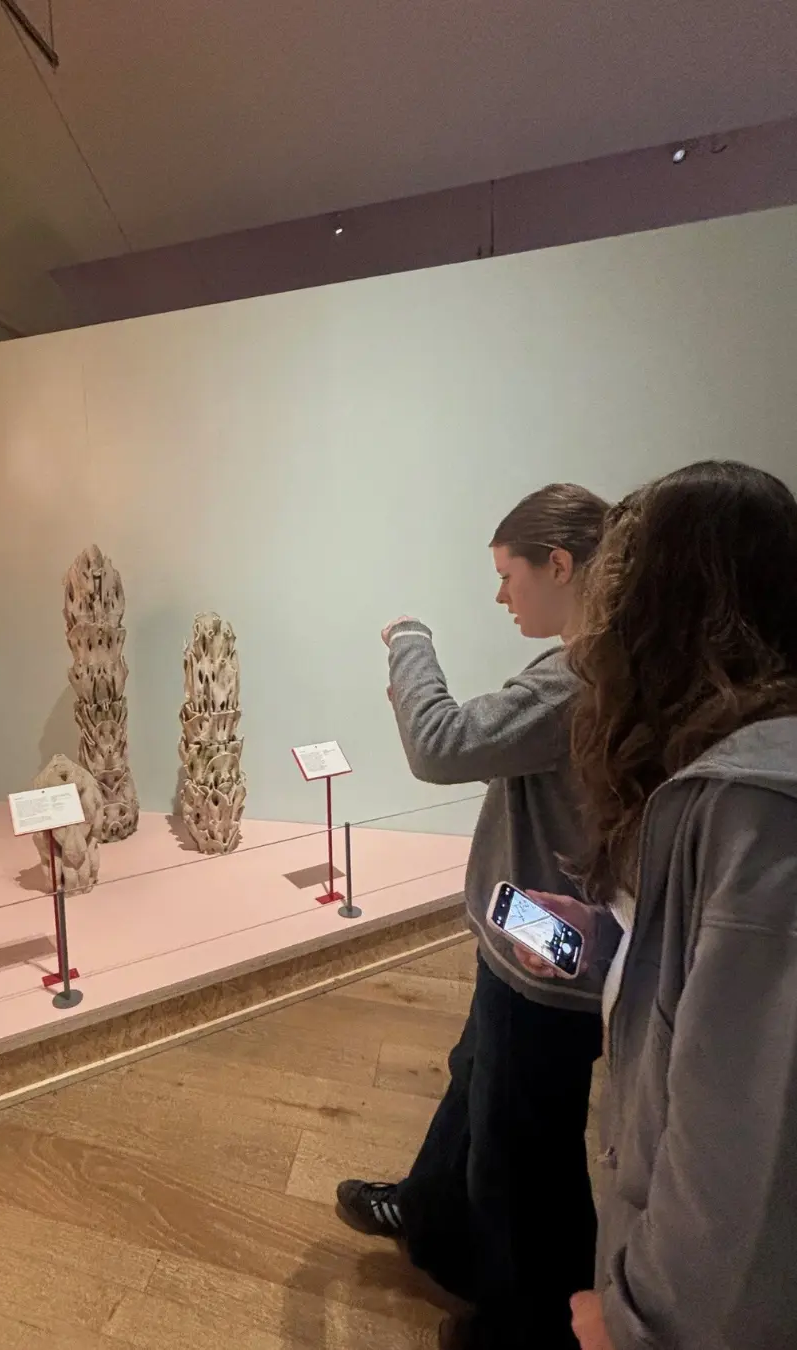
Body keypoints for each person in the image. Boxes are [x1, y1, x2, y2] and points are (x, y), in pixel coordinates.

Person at [336, 483, 615, 1350]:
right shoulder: (597, 662)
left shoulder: (576, 676)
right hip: (536, 933)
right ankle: (431, 1216)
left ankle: (531, 1323)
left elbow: (441, 745)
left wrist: (409, 641)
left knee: (521, 1143)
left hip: (548, 952)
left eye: (508, 575)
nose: (501, 596)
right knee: (477, 1078)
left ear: (558, 565)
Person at [527, 461, 797, 1350]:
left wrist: (640, 1322)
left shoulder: (755, 807)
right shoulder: (725, 782)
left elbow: (743, 1142)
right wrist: (613, 943)